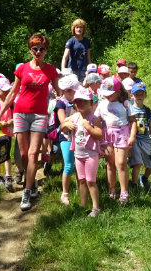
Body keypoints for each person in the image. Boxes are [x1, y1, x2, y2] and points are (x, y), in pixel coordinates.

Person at [0, 33, 62, 211]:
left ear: (46, 50)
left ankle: (27, 190)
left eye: (42, 48)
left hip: (40, 115)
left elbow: (60, 92)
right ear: (30, 50)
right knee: (23, 155)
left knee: (33, 154)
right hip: (20, 114)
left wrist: (72, 105)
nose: (38, 52)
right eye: (35, 48)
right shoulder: (22, 69)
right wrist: (0, 114)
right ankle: (31, 181)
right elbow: (12, 93)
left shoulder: (51, 70)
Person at [61, 88, 104, 217]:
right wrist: (66, 126)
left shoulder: (93, 119)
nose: (80, 104)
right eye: (78, 101)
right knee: (82, 180)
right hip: (78, 155)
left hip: (90, 155)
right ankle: (83, 205)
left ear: (91, 103)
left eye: (84, 101)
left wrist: (88, 127)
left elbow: (100, 135)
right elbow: (61, 127)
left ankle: (96, 208)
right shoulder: (74, 117)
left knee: (90, 181)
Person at [96, 77, 136, 203]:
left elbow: (133, 121)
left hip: (122, 134)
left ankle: (124, 192)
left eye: (110, 94)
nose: (107, 96)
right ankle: (112, 190)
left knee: (121, 163)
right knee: (110, 164)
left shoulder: (125, 104)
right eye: (105, 94)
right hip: (107, 135)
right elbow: (96, 120)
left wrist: (132, 136)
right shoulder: (102, 104)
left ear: (118, 92)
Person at [127, 82, 151, 191]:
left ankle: (144, 178)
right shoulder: (129, 110)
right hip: (134, 140)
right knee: (137, 163)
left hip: (146, 140)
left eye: (141, 94)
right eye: (136, 94)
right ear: (132, 96)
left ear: (145, 96)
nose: (139, 96)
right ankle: (134, 185)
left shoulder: (147, 111)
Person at [55, 74, 79, 204]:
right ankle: (65, 193)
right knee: (69, 165)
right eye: (70, 90)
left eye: (74, 90)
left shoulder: (78, 101)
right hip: (66, 137)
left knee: (79, 165)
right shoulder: (60, 103)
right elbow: (62, 121)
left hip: (79, 136)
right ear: (65, 91)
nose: (73, 93)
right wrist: (72, 120)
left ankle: (80, 190)